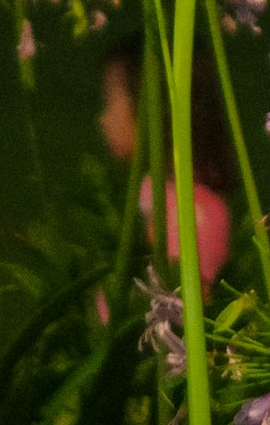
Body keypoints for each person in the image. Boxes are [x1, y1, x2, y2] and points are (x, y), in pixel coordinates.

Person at [99, 35, 234, 285]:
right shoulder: (143, 197)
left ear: (153, 104)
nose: (103, 119)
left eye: (111, 100)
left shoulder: (195, 213)